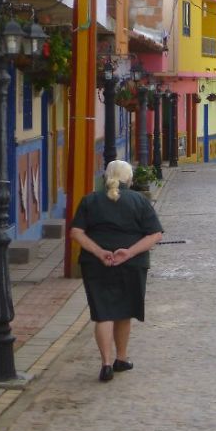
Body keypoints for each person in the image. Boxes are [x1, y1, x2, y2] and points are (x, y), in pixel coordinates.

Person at [70, 160, 163, 382]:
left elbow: (76, 232)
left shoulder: (90, 200)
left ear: (106, 177)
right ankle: (121, 358)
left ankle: (106, 363)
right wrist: (129, 253)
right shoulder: (139, 200)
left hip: (95, 264)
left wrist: (99, 252)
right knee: (124, 310)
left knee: (103, 313)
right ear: (129, 180)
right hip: (131, 264)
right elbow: (155, 234)